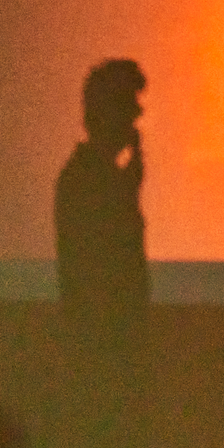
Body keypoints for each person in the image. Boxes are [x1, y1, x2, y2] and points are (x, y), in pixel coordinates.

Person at [54, 59, 149, 323]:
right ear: (110, 111)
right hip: (105, 345)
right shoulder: (87, 181)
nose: (138, 112)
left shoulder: (89, 176)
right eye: (129, 103)